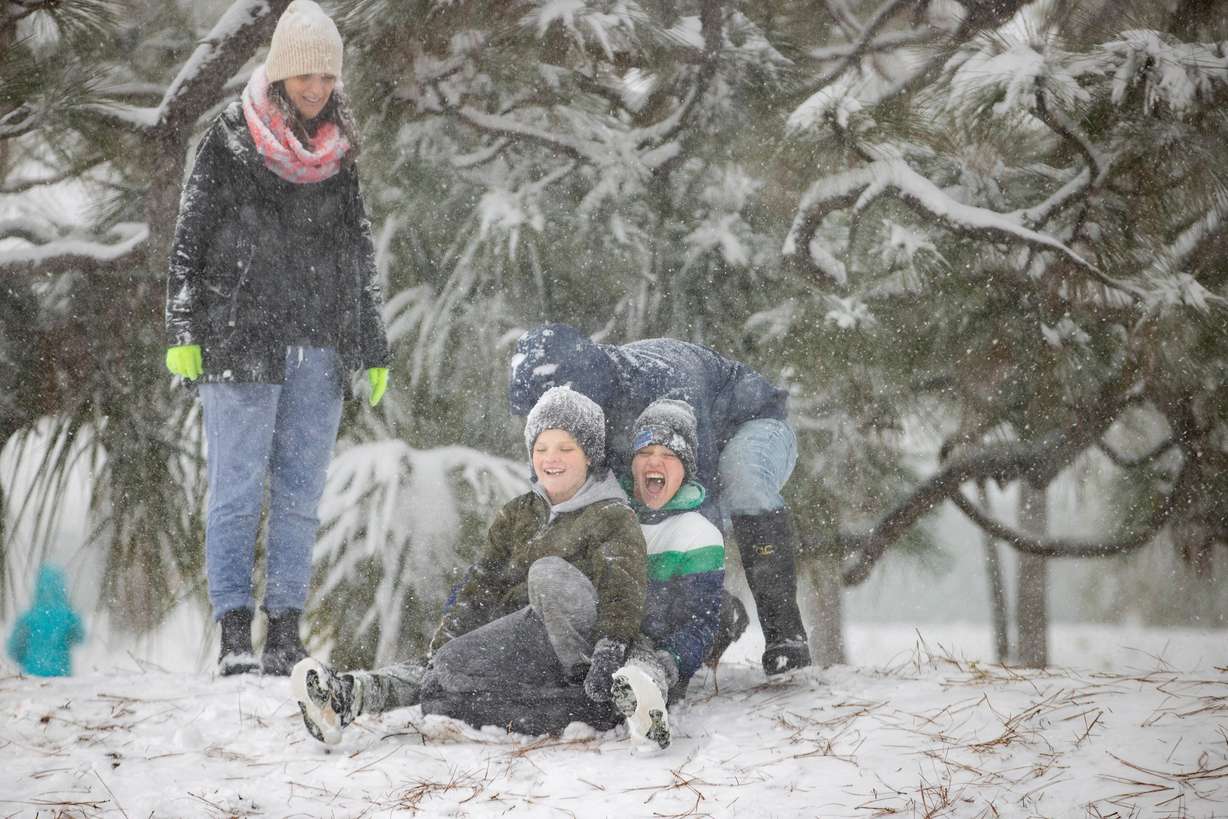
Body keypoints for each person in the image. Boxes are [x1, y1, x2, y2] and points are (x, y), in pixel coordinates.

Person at [163, 0, 391, 676]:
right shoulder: (231, 139)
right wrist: (183, 327)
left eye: (327, 77)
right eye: (305, 76)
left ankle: (284, 629)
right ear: (281, 73)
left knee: (299, 494)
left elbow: (358, 250)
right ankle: (234, 630)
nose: (316, 88)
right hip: (238, 342)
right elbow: (190, 237)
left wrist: (372, 343)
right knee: (235, 489)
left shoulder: (339, 153)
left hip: (319, 345)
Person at [292, 386, 666, 746]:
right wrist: (449, 638)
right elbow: (482, 583)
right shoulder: (518, 514)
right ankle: (345, 697)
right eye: (541, 448)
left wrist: (609, 647)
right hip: (525, 644)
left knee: (547, 576)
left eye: (566, 448)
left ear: (590, 455)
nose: (552, 458)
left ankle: (629, 699)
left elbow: (623, 585)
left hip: (587, 643)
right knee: (443, 675)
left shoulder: (612, 515)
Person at [508, 324, 810, 676]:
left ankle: (784, 634)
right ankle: (711, 613)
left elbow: (698, 499)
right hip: (659, 441)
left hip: (752, 423)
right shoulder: (568, 410)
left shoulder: (665, 384)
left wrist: (699, 612)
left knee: (741, 479)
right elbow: (556, 501)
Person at [7, 564, 85, 677]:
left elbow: (13, 650)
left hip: (33, 677)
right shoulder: (68, 616)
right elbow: (80, 637)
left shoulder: (29, 618)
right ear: (61, 587)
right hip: (61, 676)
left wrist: (28, 660)